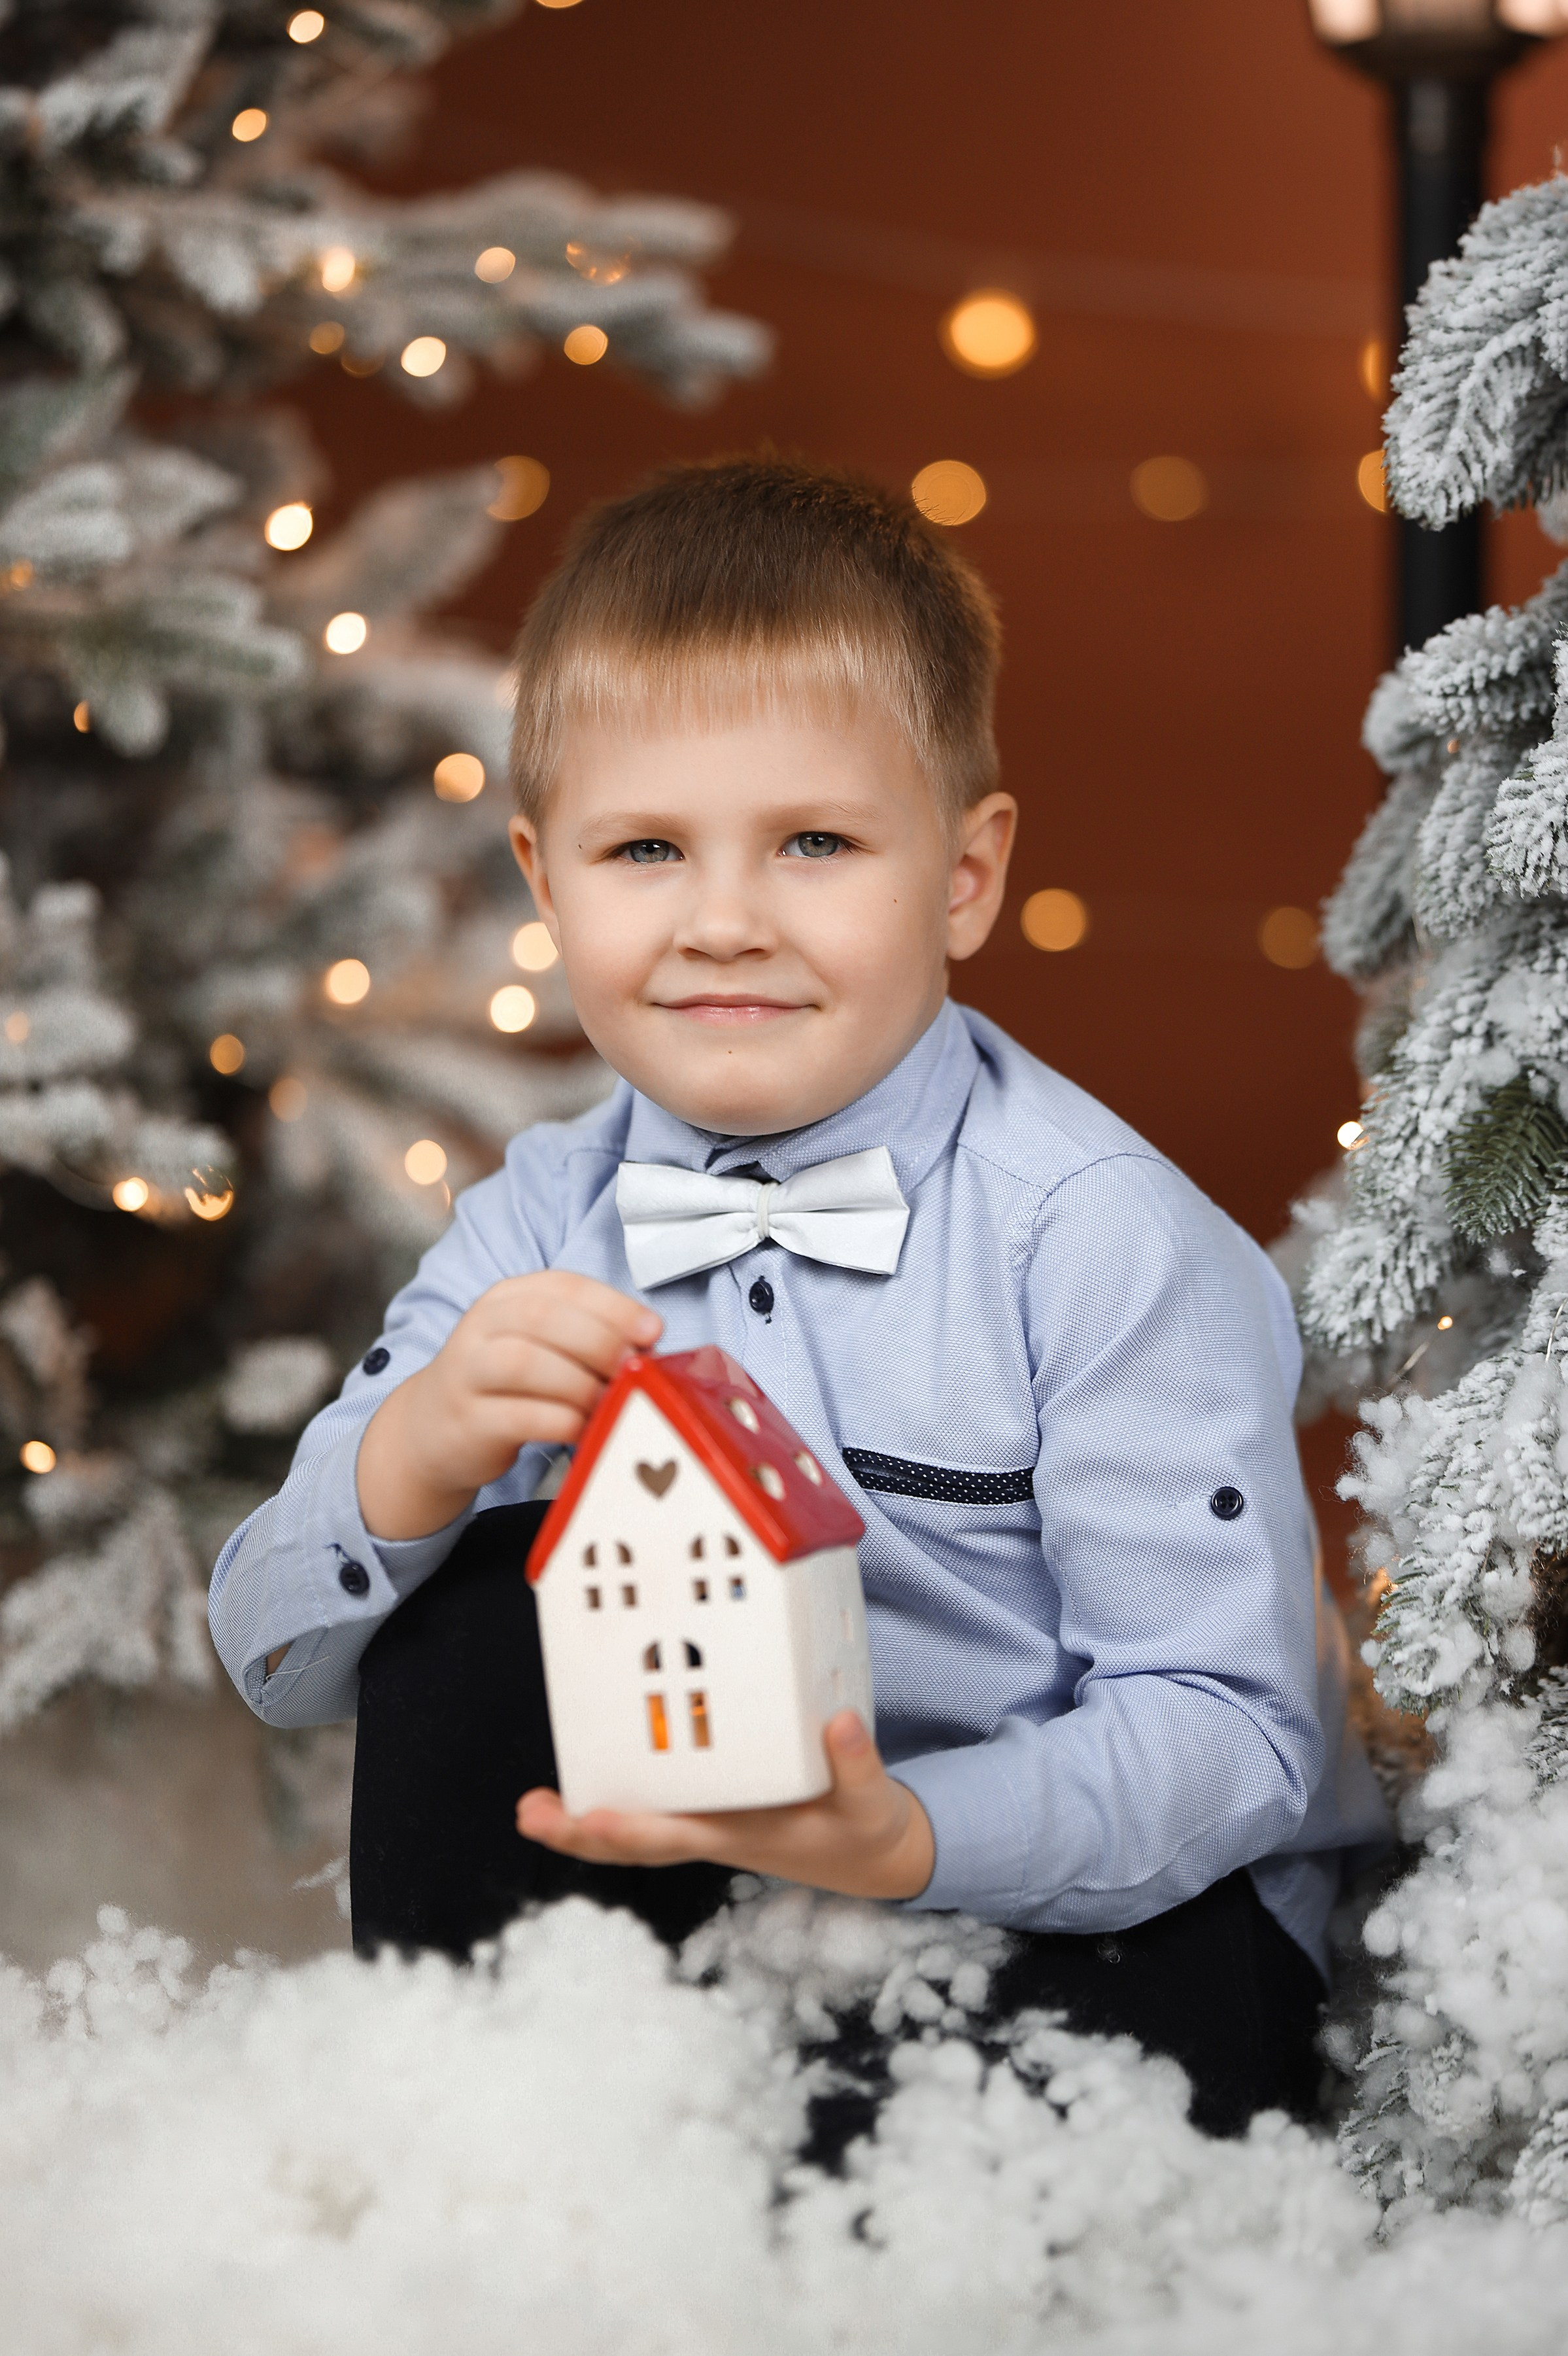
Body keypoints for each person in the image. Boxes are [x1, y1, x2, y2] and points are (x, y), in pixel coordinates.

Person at [210, 455, 1388, 2140]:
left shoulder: (1105, 1241)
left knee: (982, 2145)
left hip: (1084, 1886)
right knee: (468, 1610)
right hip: (694, 1870)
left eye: (815, 842)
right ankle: (499, 2131)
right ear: (548, 886)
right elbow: (274, 1651)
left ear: (965, 876)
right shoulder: (540, 1221)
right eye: (647, 851)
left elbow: (1226, 1740)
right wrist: (414, 1454)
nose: (726, 922)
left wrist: (900, 1838)